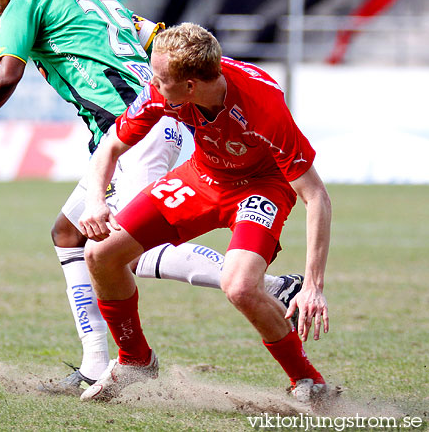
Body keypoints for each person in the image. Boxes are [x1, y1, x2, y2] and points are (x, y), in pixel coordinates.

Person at [0, 0, 304, 395]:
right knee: (69, 233)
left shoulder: (26, 0)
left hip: (135, 130)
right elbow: (163, 39)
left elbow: (5, 74)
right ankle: (95, 363)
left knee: (128, 248)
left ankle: (272, 288)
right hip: (144, 126)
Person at [78, 23, 332, 406]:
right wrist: (96, 199)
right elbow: (111, 145)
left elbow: (316, 196)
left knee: (241, 287)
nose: (153, 85)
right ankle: (135, 360)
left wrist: (314, 286)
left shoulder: (264, 107)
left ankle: (307, 380)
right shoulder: (164, 92)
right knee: (100, 254)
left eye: (161, 79)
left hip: (262, 186)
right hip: (202, 176)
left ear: (191, 86)